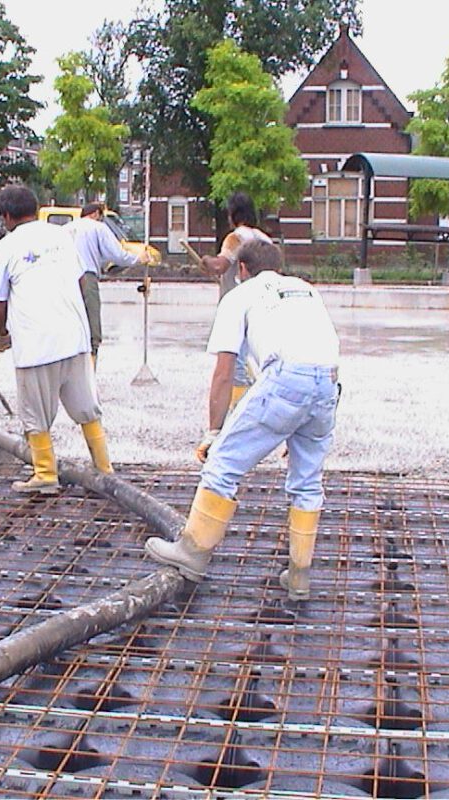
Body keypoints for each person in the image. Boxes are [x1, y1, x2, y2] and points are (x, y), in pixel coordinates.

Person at [145, 239, 340, 601]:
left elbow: (224, 373)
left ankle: (192, 553)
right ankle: (299, 576)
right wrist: (296, 421)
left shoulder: (240, 295)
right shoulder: (305, 289)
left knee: (222, 464)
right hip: (328, 384)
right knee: (307, 482)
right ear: (278, 267)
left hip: (285, 376)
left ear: (243, 269)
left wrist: (213, 431)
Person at [0, 184, 114, 495]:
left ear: (6, 216)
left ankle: (45, 474)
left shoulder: (7, 246)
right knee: (86, 407)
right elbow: (82, 280)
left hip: (36, 345)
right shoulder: (60, 236)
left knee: (35, 413)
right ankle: (105, 469)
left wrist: (2, 336)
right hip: (75, 340)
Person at [198, 191, 272, 406]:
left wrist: (206, 262)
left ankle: (240, 409)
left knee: (236, 363)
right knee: (252, 358)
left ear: (233, 214)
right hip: (264, 305)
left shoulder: (235, 237)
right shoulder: (263, 239)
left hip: (238, 309)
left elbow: (221, 265)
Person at [66, 202, 150, 366]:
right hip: (87, 278)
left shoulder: (66, 229)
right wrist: (137, 258)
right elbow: (116, 253)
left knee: (70, 326)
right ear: (96, 214)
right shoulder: (98, 228)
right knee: (91, 328)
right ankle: (89, 374)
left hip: (64, 281)